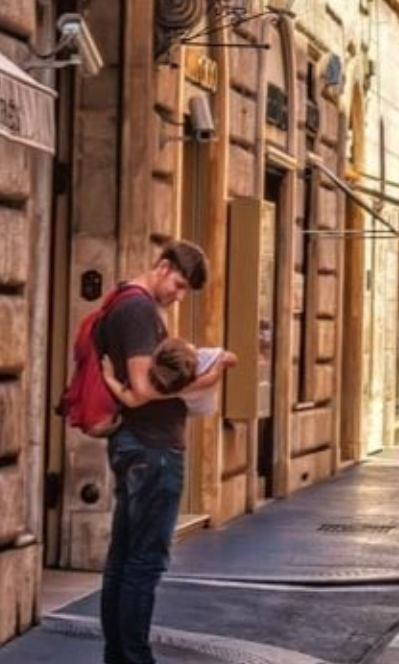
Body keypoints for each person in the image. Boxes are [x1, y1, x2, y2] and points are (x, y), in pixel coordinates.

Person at [96, 242, 231, 664]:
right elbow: (143, 388)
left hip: (137, 444)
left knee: (124, 560)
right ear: (162, 266)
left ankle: (119, 656)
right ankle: (133, 658)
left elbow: (136, 388)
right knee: (143, 563)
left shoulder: (126, 302)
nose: (179, 295)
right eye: (178, 284)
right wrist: (206, 380)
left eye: (186, 290)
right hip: (152, 448)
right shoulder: (137, 310)